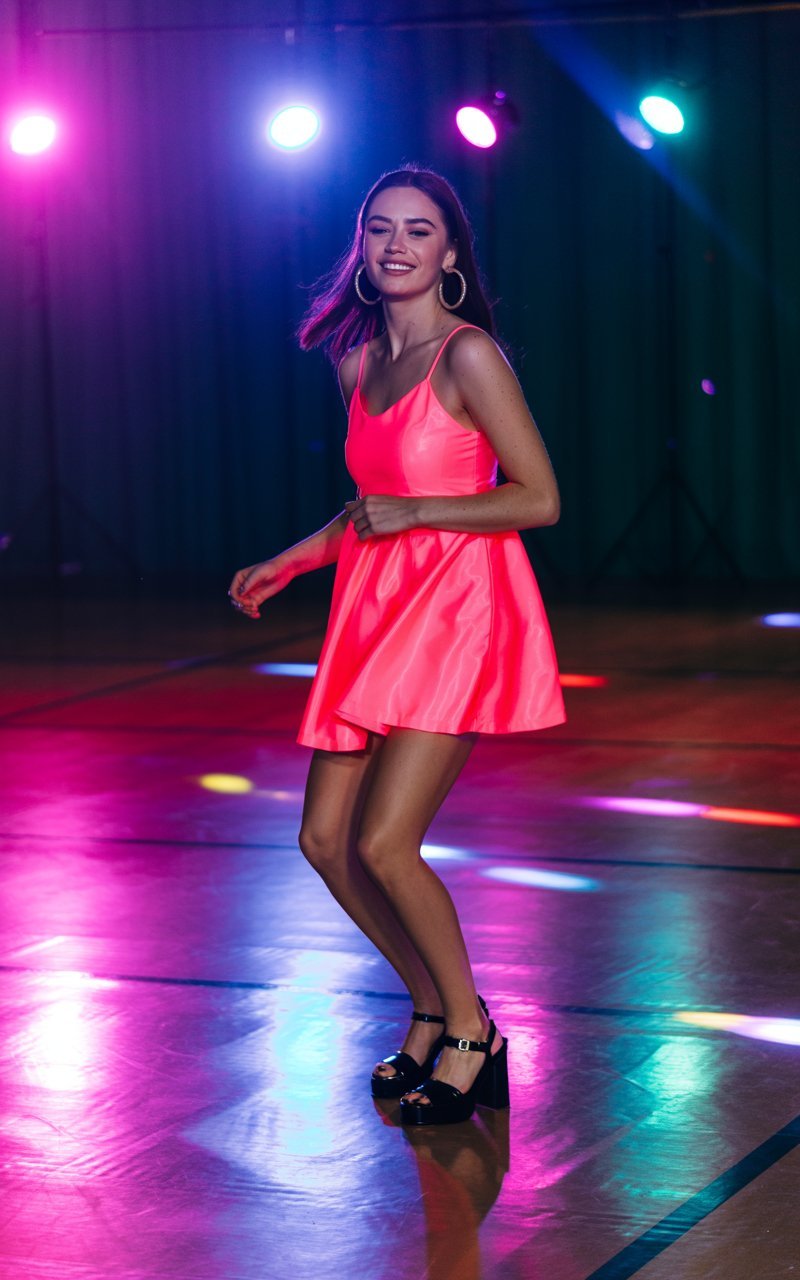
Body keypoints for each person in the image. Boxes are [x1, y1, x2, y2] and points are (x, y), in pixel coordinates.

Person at [229, 167, 565, 1126]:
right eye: (381, 229)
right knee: (324, 842)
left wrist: (418, 509)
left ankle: (472, 1029)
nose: (397, 245)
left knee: (385, 840)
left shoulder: (471, 359)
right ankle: (430, 1006)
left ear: (450, 254)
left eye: (420, 231)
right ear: (362, 246)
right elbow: (364, 506)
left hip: (457, 614)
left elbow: (538, 499)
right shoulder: (357, 363)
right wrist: (290, 561)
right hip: (372, 613)